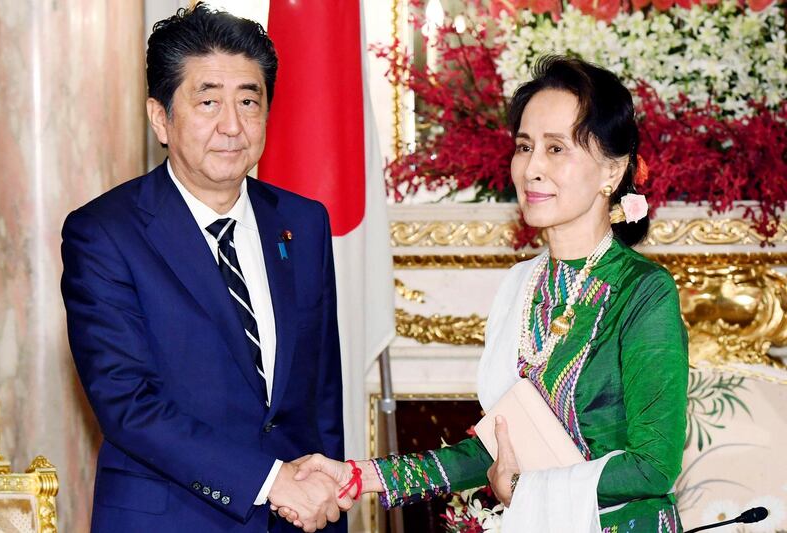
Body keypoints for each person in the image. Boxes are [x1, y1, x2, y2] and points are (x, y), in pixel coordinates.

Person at [280, 56, 689, 532]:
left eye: (556, 149)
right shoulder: (521, 284)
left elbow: (653, 467)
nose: (532, 168)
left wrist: (523, 488)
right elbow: (494, 449)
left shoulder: (643, 291)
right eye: (524, 146)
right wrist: (357, 476)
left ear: (612, 172)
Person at [61, 4, 349, 532]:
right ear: (160, 118)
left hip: (296, 520)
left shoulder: (303, 224)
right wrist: (271, 480)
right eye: (208, 100)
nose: (232, 126)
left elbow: (321, 398)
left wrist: (325, 508)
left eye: (248, 100)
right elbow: (129, 404)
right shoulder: (104, 233)